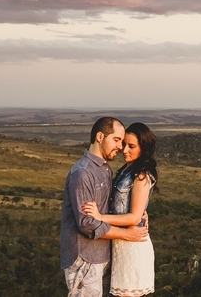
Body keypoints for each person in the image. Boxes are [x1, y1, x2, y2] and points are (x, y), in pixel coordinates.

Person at [61, 117, 149, 297]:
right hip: (84, 256)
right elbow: (86, 223)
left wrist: (138, 213)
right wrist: (126, 234)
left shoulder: (105, 169)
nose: (120, 147)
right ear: (100, 136)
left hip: (103, 254)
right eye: (117, 140)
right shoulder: (83, 173)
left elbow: (110, 206)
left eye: (123, 142)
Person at [83, 122, 158, 297]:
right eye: (124, 144)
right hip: (121, 243)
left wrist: (100, 217)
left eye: (132, 146)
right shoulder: (126, 170)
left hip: (132, 246)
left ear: (143, 148)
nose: (124, 150)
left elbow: (133, 218)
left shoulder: (141, 175)